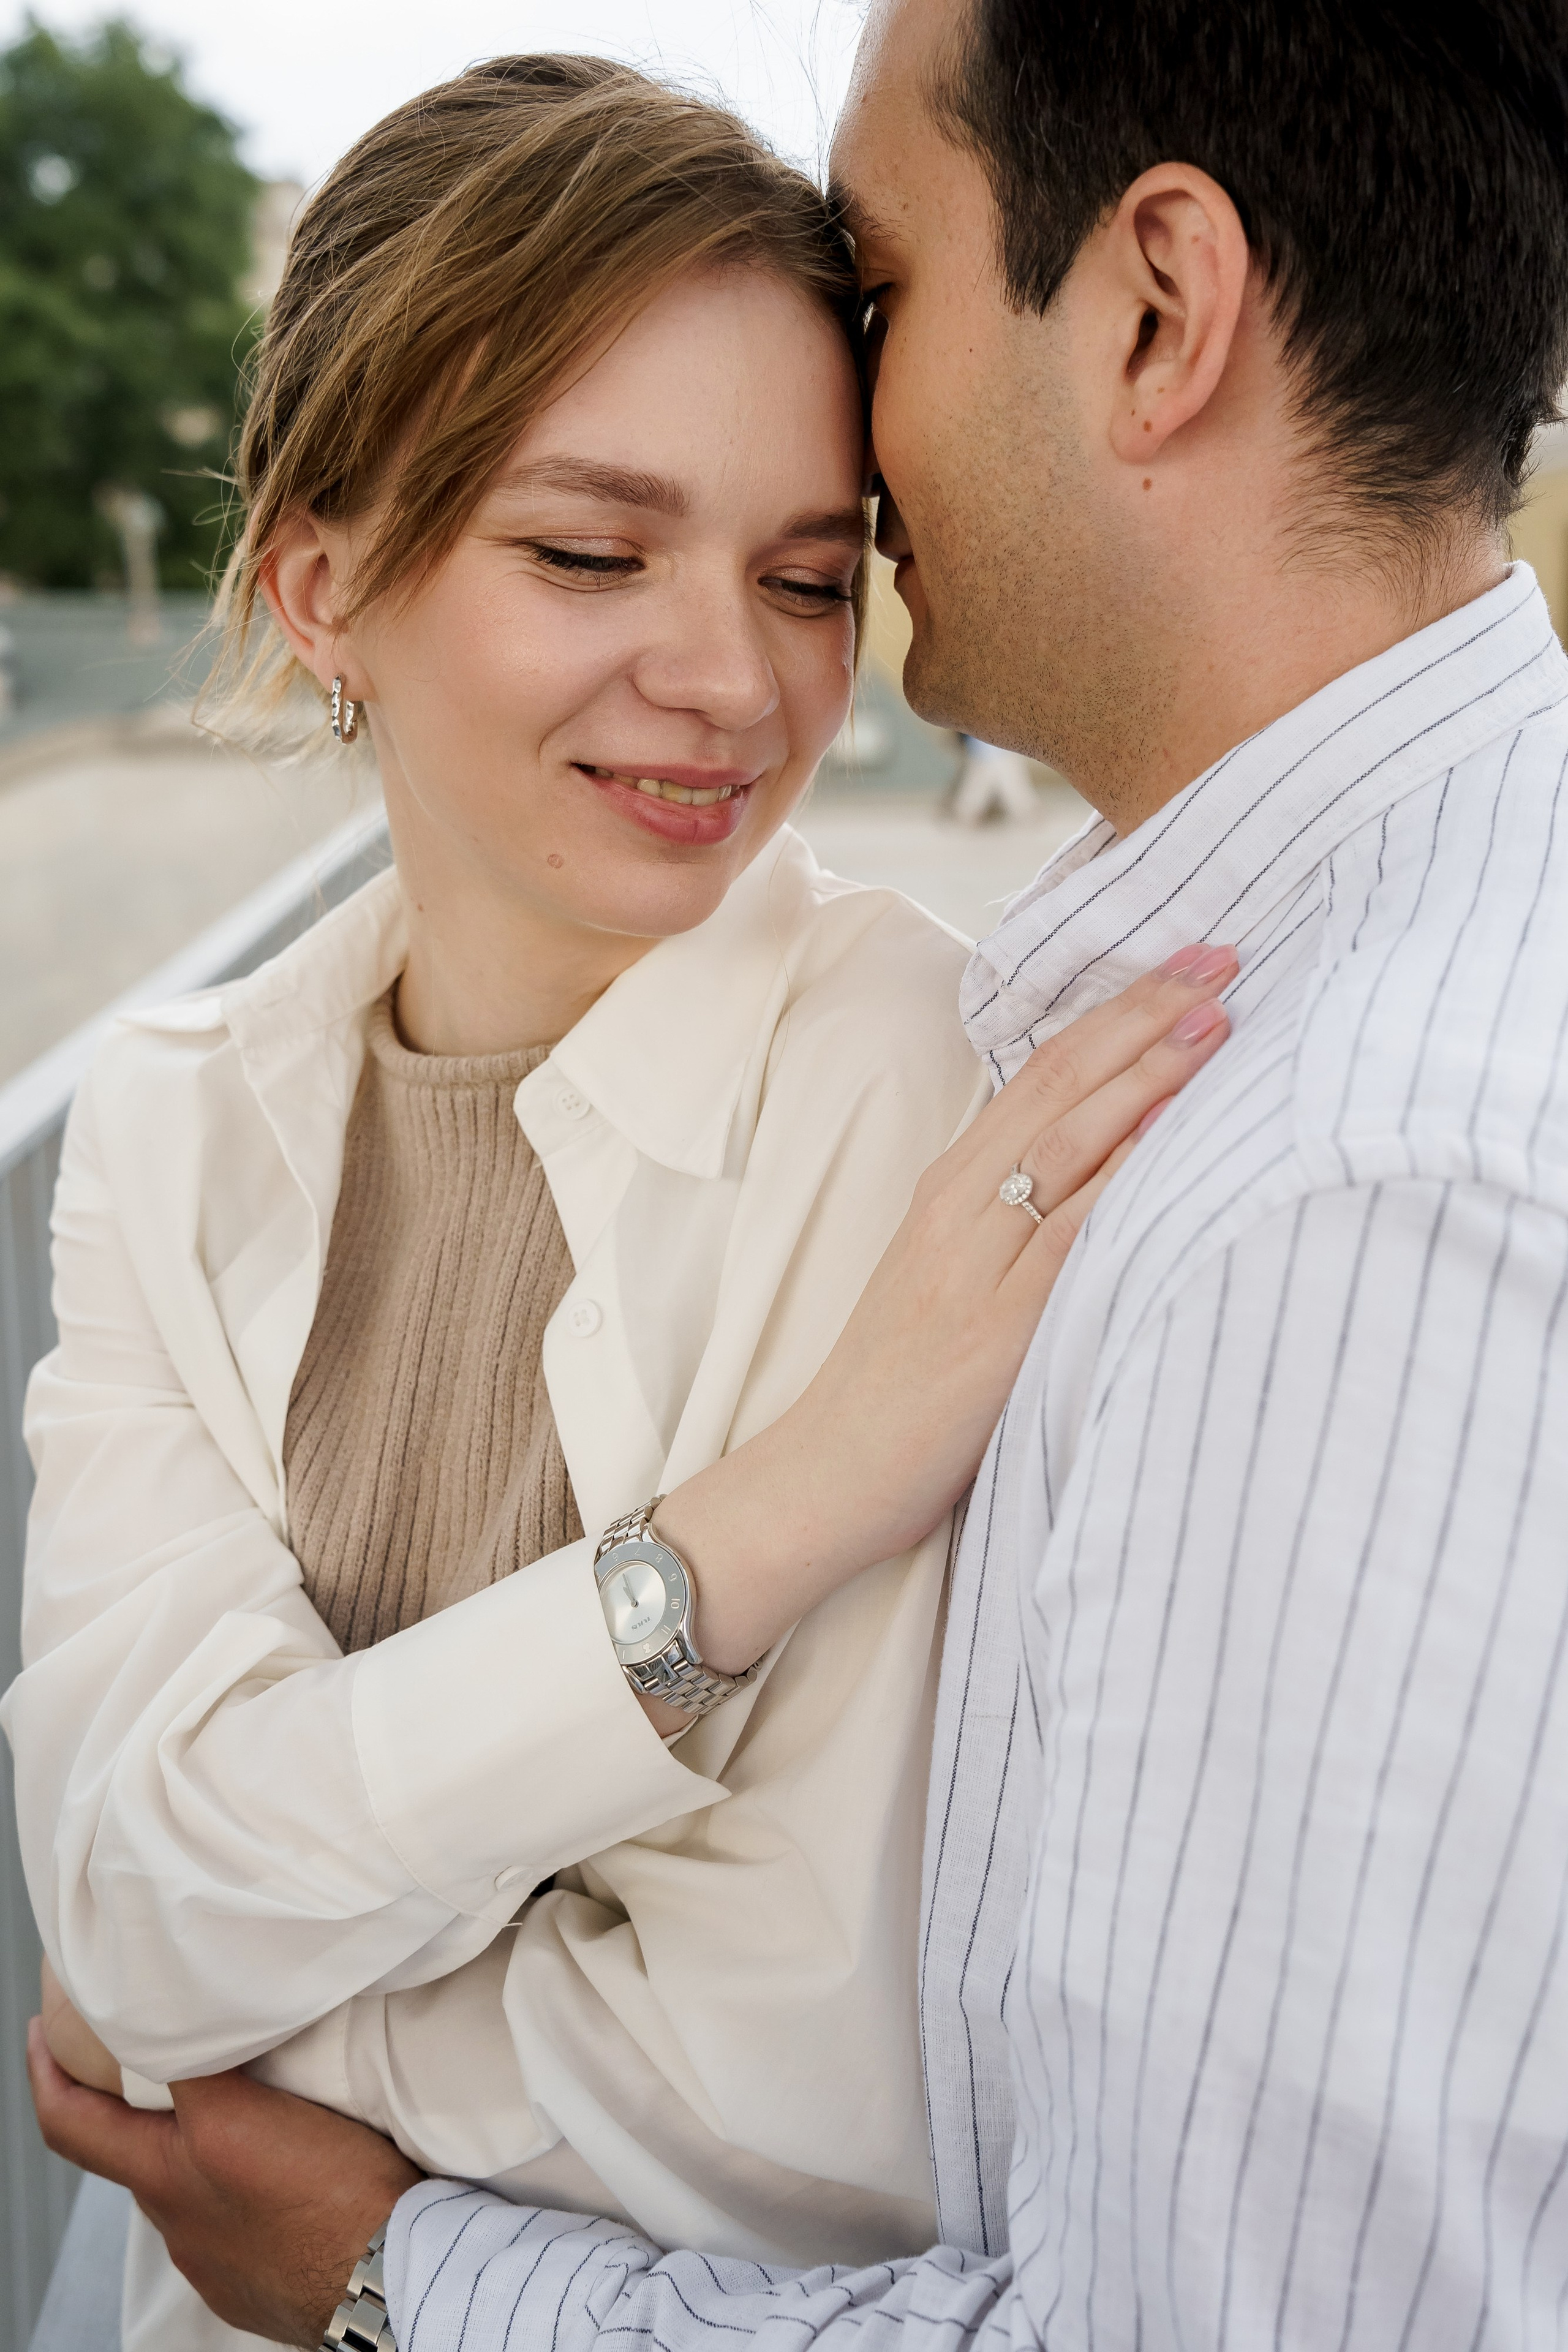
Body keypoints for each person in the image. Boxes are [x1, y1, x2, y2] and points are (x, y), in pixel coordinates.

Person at [33, 0, 1568, 2342]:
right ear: (321, 586)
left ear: (1160, 304)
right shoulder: (168, 1113)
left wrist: (294, 2134)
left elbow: (813, 2110)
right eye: (585, 549)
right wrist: (758, 1529)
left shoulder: (988, 1108)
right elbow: (123, 1917)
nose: (735, 689)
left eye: (805, 572)